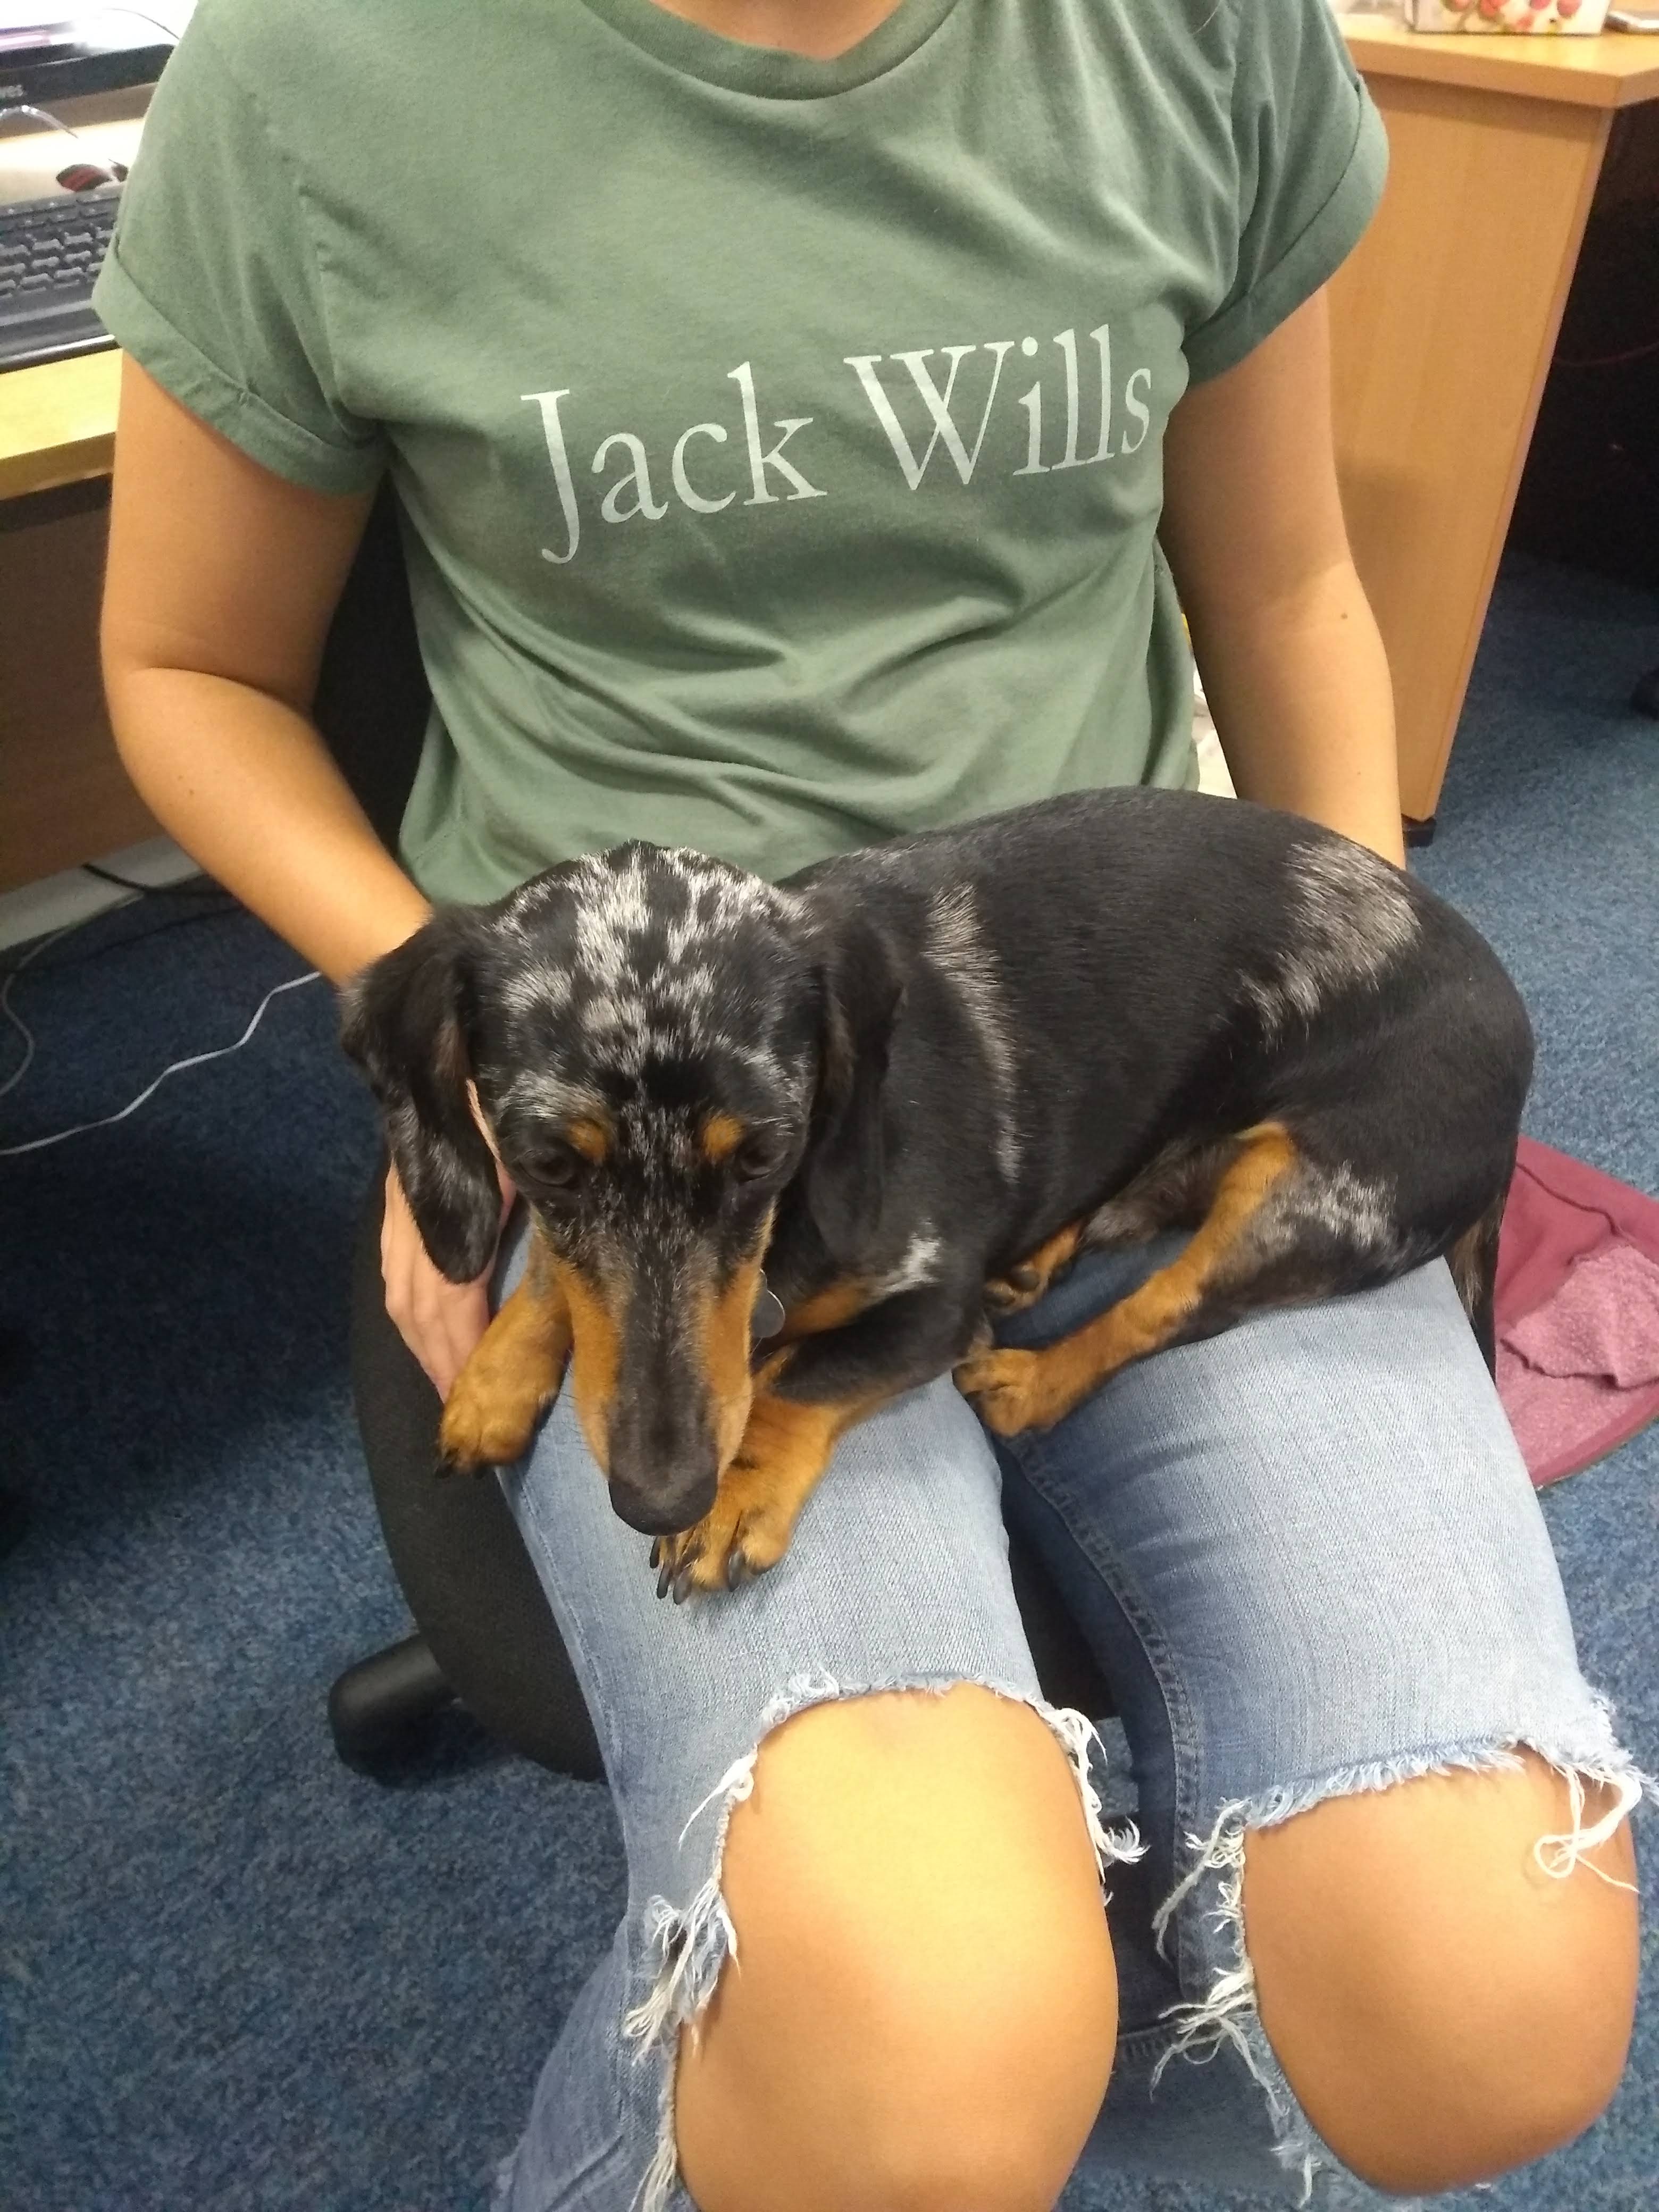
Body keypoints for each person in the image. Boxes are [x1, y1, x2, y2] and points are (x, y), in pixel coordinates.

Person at [94, 3, 1644, 2208]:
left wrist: (1336, 999)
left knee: (1484, 2008)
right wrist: (455, 1069)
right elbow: (189, 667)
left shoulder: (1199, 29)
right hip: (645, 1117)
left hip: (1153, 1055)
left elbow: (1292, 583)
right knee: (923, 2072)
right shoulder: (320, 66)